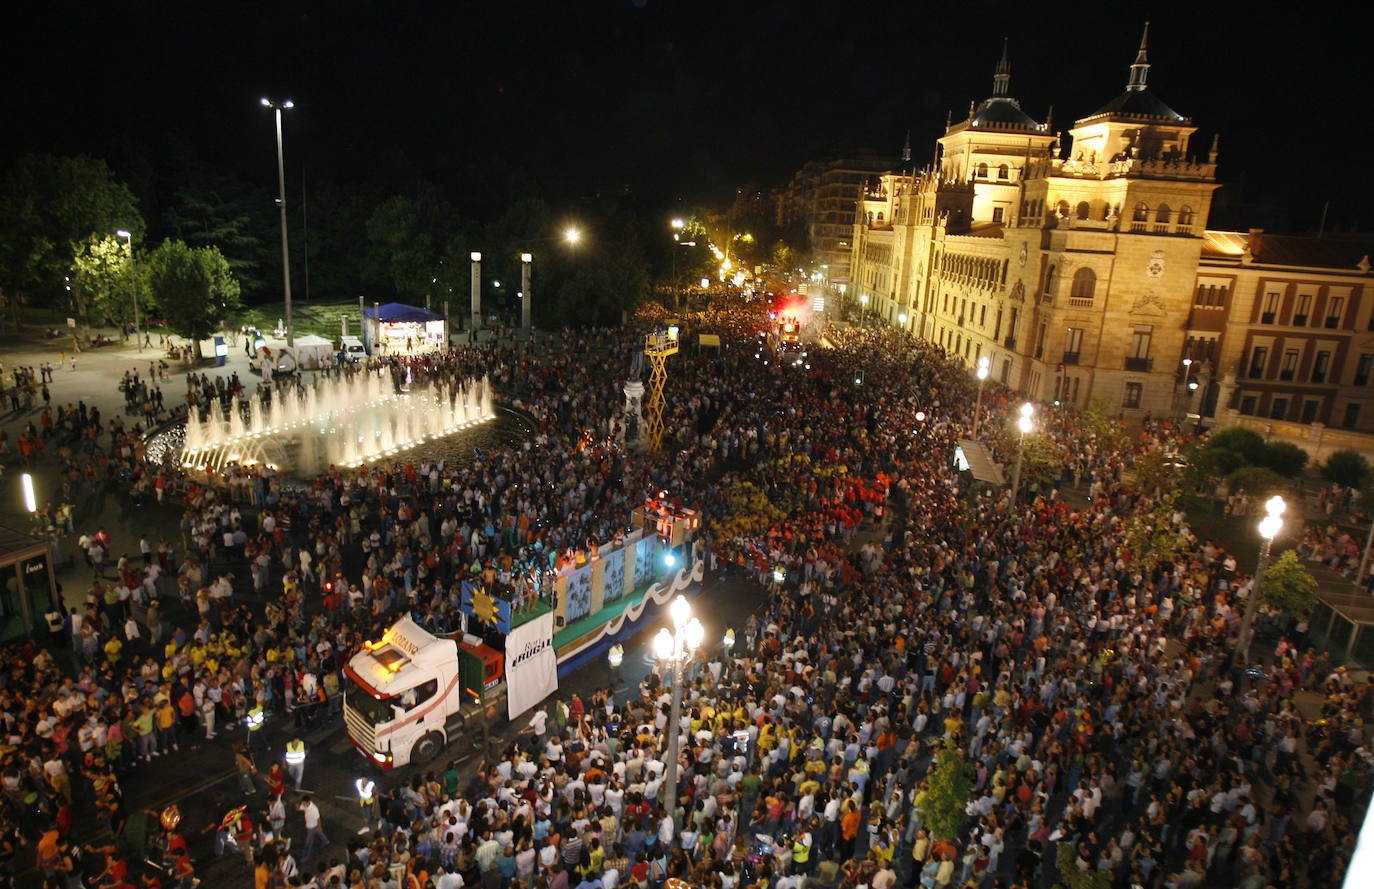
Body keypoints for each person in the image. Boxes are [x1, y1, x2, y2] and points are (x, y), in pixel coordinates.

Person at [299, 794, 329, 861]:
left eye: (304, 803)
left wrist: (320, 827)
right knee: (319, 833)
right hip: (311, 826)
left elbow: (318, 819)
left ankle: (305, 856)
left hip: (312, 827)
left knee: (308, 843)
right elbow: (300, 808)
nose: (303, 805)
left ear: (308, 802)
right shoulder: (305, 806)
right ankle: (325, 841)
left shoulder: (314, 809)